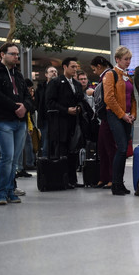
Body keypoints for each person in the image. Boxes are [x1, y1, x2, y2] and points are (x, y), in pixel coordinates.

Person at [0, 43, 34, 205]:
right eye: (12, 54)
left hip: (19, 123)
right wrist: (15, 108)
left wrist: (25, 106)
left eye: (17, 54)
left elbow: (27, 95)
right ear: (2, 55)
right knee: (6, 157)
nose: (16, 57)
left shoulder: (18, 75)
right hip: (3, 121)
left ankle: (10, 190)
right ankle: (0, 192)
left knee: (13, 159)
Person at [46, 57, 90, 188]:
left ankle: (73, 179)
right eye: (72, 67)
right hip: (61, 123)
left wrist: (79, 108)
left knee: (74, 151)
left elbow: (81, 100)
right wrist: (66, 110)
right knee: (63, 151)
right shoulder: (56, 83)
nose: (75, 69)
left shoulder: (76, 84)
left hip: (75, 123)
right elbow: (50, 102)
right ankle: (63, 179)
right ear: (64, 67)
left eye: (76, 67)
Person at [103, 47, 137, 195]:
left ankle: (119, 183)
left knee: (124, 151)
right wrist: (123, 114)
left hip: (127, 116)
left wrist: (133, 114)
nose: (128, 62)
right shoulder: (111, 74)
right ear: (117, 59)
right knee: (122, 148)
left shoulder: (128, 77)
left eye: (129, 59)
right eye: (125, 59)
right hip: (115, 115)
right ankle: (116, 183)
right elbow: (109, 98)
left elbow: (133, 99)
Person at [90, 56, 116, 189]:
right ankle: (104, 177)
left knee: (109, 148)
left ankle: (111, 177)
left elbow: (106, 95)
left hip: (108, 116)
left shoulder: (108, 75)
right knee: (102, 148)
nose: (94, 72)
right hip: (104, 118)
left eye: (94, 69)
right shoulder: (105, 76)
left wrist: (94, 93)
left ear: (99, 66)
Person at [35, 65, 58, 157]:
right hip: (45, 119)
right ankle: (45, 164)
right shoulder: (41, 88)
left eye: (55, 71)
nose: (54, 73)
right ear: (46, 74)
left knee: (57, 142)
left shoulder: (60, 86)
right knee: (46, 143)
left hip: (57, 119)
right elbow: (37, 103)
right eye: (51, 71)